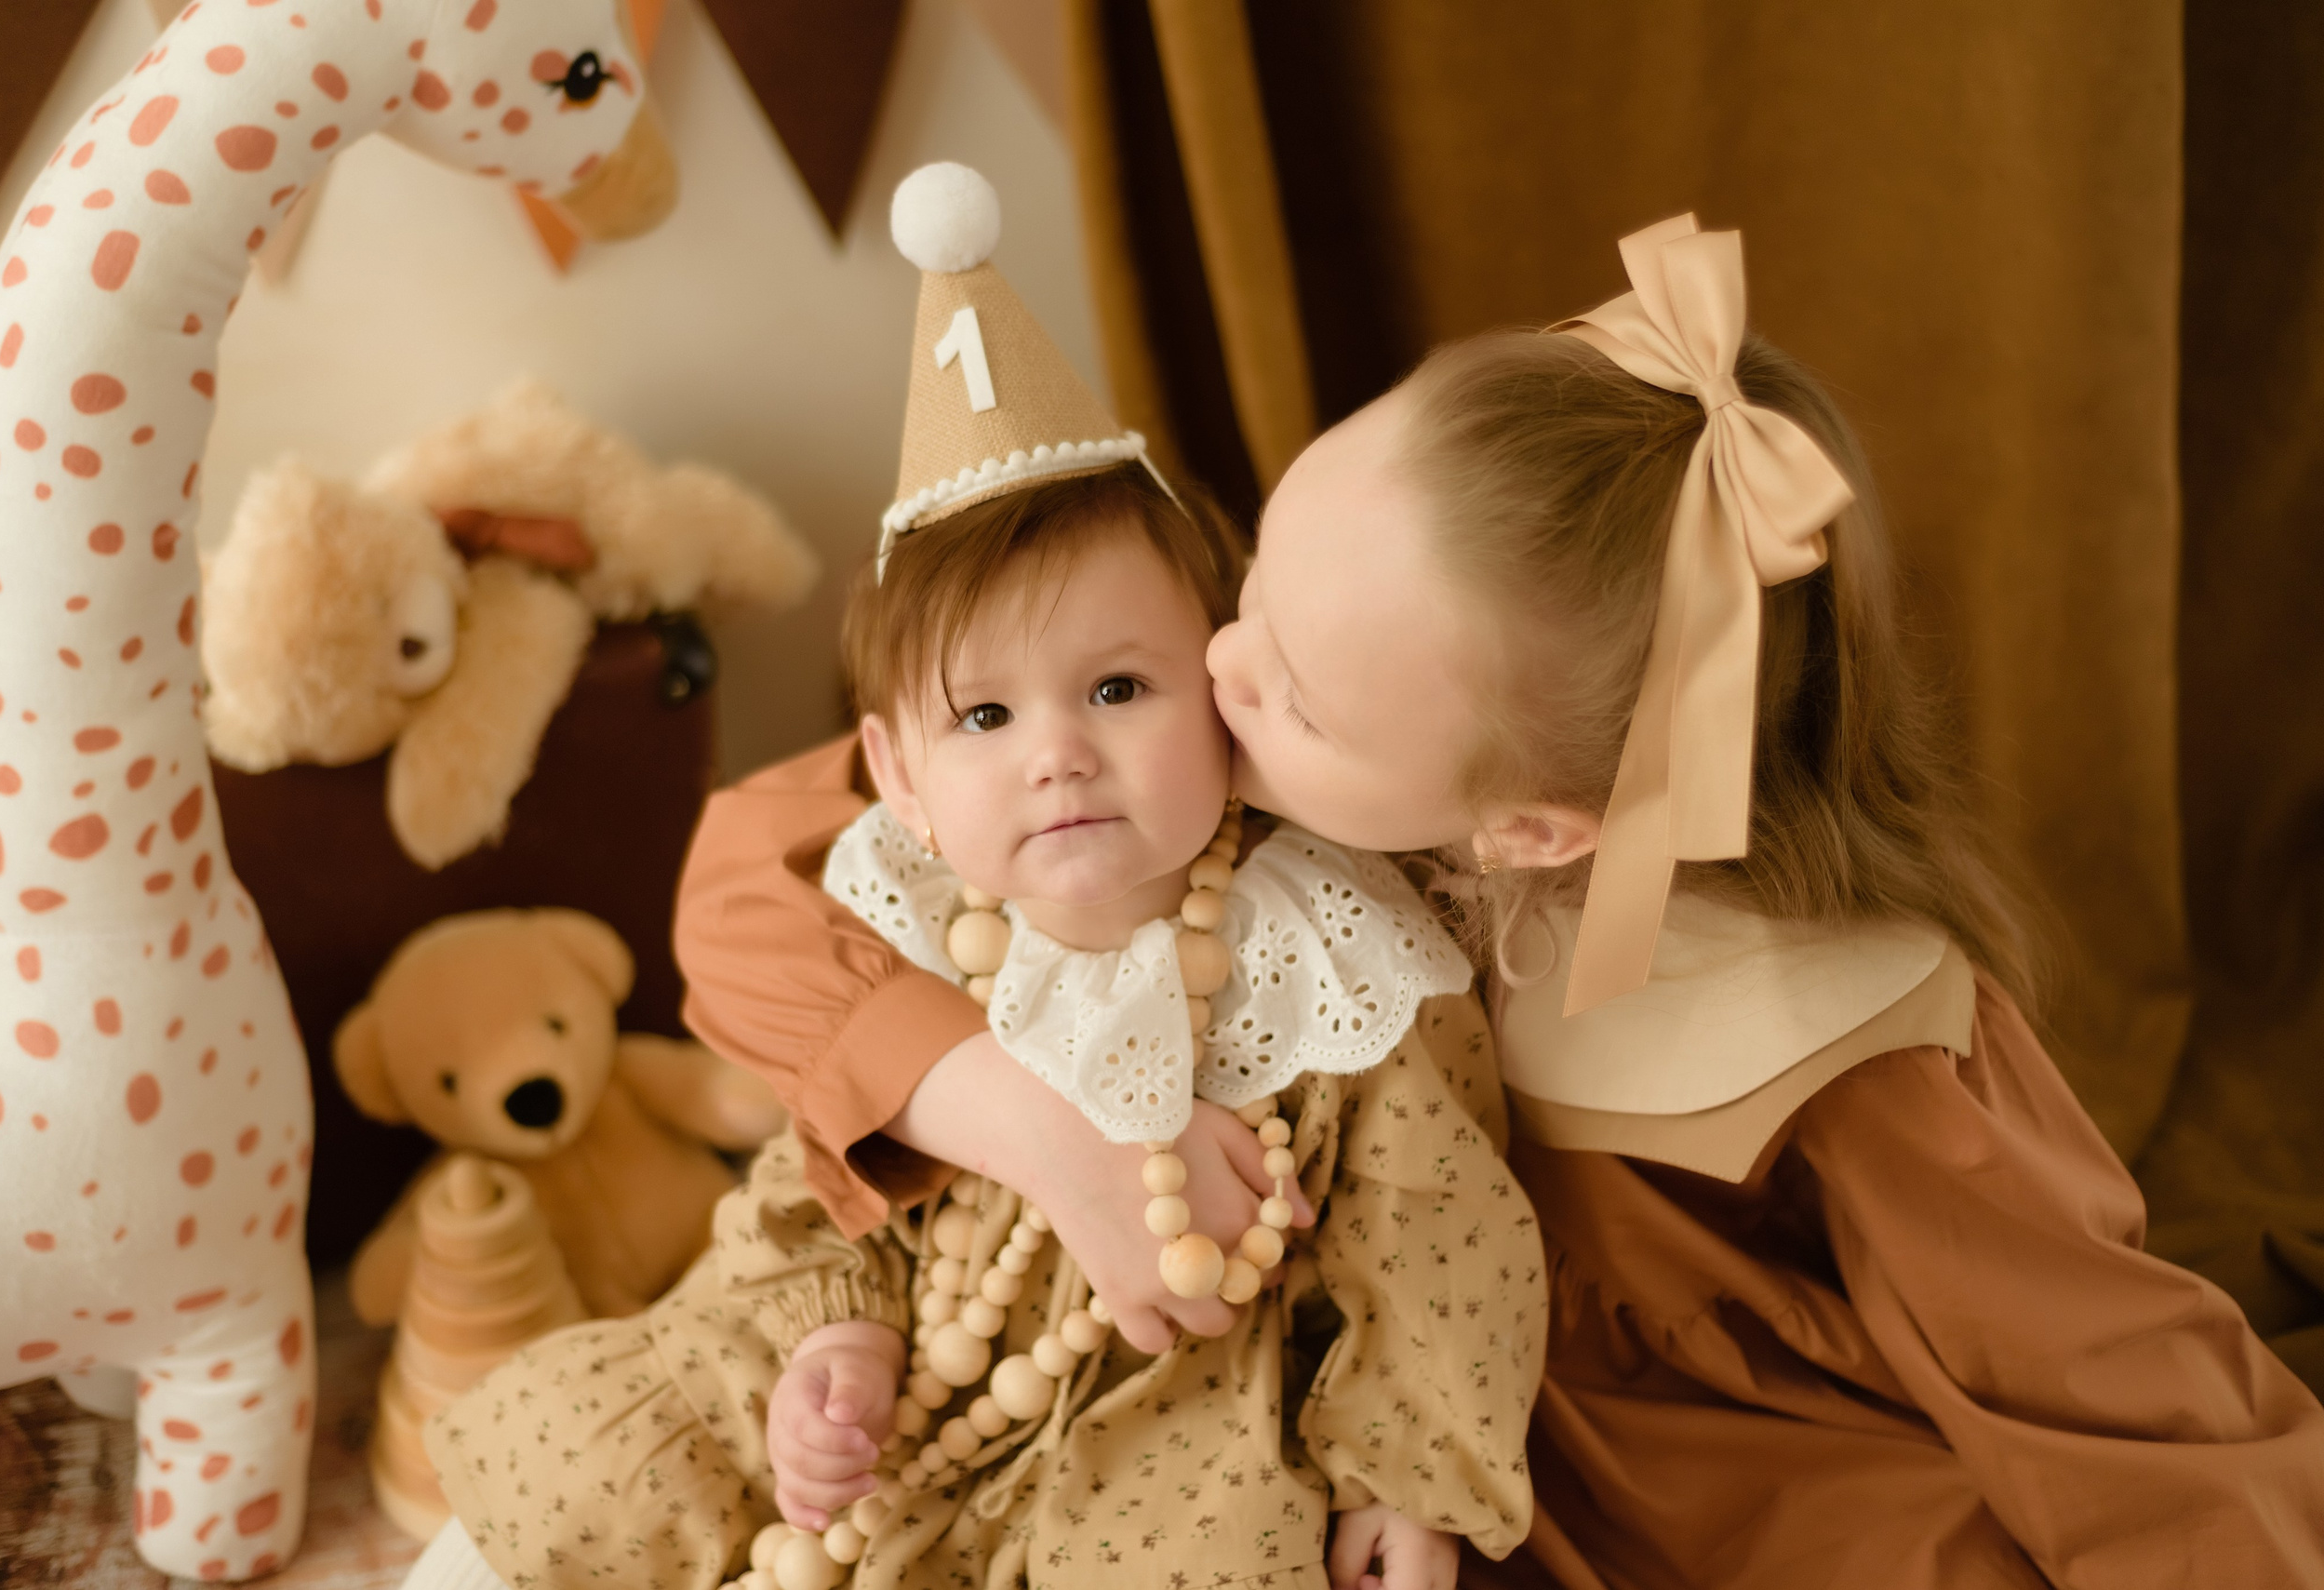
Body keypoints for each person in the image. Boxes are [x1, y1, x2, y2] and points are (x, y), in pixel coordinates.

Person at [674, 212, 2324, 1588]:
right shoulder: (1221, 751)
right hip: (1336, 1450)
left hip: (1728, 1505)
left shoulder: (1845, 1046)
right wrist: (1052, 1139)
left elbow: (2126, 1404)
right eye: (1251, 588)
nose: (1217, 665)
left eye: (1294, 691)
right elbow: (750, 874)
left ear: (1526, 830)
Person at [397, 164, 1538, 1590]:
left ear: (1218, 684)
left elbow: (1439, 1244)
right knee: (636, 1440)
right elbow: (819, 1162)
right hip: (917, 1335)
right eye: (986, 715)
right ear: (898, 774)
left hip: (1170, 1400)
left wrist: (1403, 1481)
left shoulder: (1335, 957)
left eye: (1117, 688)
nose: (1057, 754)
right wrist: (837, 1336)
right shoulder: (914, 912)